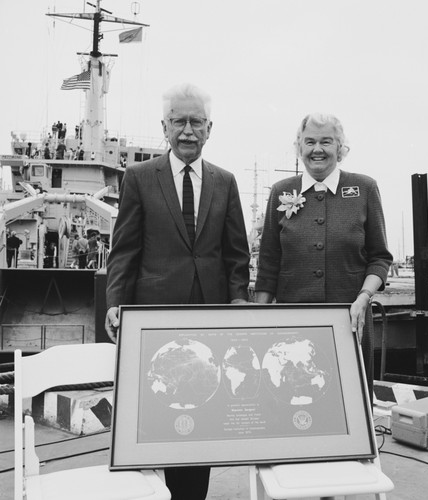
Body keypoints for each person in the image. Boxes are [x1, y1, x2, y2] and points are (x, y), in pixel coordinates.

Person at [105, 83, 250, 500]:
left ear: (210, 129)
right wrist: (116, 302)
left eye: (197, 122)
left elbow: (236, 254)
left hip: (209, 317)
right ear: (164, 126)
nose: (188, 131)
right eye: (179, 122)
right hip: (154, 319)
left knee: (200, 412)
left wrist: (239, 300)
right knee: (157, 414)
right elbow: (124, 250)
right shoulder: (138, 178)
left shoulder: (225, 182)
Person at [255, 112, 393, 399]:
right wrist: (260, 319)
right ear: (299, 147)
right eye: (310, 142)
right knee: (293, 396)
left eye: (326, 142)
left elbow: (379, 258)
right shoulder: (281, 192)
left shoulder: (365, 189)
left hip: (350, 321)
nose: (317, 149)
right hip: (293, 325)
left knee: (350, 399)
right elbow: (268, 263)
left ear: (340, 148)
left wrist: (363, 298)